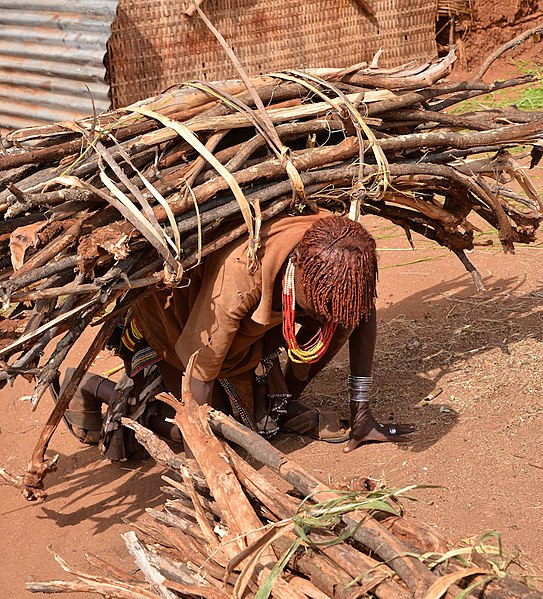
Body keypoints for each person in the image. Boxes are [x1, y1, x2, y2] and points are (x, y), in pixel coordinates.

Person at [55, 210, 413, 460]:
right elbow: (199, 375)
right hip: (177, 325)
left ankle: (279, 405)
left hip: (249, 342)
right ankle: (89, 386)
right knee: (213, 432)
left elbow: (359, 314)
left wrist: (361, 413)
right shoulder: (240, 280)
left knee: (333, 328)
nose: (326, 318)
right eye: (318, 307)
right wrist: (207, 460)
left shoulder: (344, 255)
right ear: (298, 274)